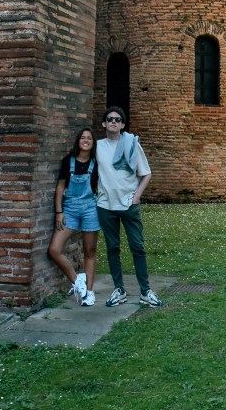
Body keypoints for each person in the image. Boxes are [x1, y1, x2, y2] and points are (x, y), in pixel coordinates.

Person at [96, 106, 162, 308]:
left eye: (118, 119)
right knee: (112, 248)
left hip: (128, 204)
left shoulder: (132, 144)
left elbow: (146, 173)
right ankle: (119, 290)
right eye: (110, 119)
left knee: (137, 247)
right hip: (105, 204)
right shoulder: (97, 147)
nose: (113, 122)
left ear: (123, 125)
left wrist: (137, 197)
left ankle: (145, 291)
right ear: (104, 124)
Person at [47, 127, 99, 307]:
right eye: (82, 137)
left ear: (93, 143)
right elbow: (60, 187)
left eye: (89, 138)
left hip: (90, 208)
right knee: (54, 249)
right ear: (78, 141)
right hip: (69, 209)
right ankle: (78, 282)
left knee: (89, 251)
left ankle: (89, 293)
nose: (86, 140)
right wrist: (59, 212)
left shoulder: (96, 163)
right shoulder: (68, 161)